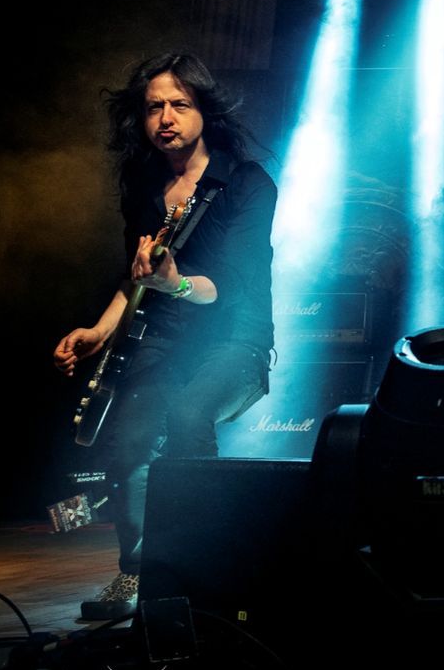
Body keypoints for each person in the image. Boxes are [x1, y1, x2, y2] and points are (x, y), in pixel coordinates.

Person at [52, 54, 276, 619]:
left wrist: (175, 284)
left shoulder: (246, 183)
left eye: (180, 104)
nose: (166, 118)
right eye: (155, 107)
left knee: (188, 413)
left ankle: (202, 569)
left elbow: (229, 286)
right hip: (164, 337)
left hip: (235, 339)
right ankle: (137, 574)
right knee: (129, 440)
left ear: (205, 110)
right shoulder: (145, 184)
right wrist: (99, 330)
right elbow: (137, 276)